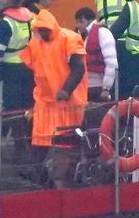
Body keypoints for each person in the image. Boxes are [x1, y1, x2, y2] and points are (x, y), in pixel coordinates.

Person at [19, 10, 87, 188]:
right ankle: (40, 176)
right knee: (40, 139)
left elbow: (79, 68)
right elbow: (29, 69)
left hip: (68, 102)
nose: (37, 34)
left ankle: (68, 177)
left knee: (68, 141)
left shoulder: (69, 39)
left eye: (40, 31)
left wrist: (66, 90)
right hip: (45, 101)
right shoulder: (36, 42)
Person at [0, 0, 34, 158]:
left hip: (10, 71)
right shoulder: (30, 18)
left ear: (7, 1)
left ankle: (20, 150)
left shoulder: (4, 22)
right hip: (29, 69)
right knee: (28, 108)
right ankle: (32, 145)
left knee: (13, 111)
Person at [74, 7, 117, 102]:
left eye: (81, 22)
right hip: (84, 87)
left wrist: (106, 88)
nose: (78, 25)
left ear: (90, 20)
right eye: (77, 22)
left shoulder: (103, 33)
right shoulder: (78, 36)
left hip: (99, 86)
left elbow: (111, 62)